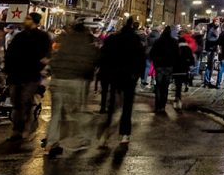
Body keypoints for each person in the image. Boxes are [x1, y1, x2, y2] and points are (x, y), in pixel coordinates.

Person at [42, 20, 98, 157]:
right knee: (76, 112)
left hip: (57, 79)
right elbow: (91, 61)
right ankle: (80, 139)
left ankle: (51, 144)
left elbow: (54, 56)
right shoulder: (86, 43)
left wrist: (50, 71)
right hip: (74, 80)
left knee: (56, 115)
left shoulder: (64, 40)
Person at [97, 18, 146, 147]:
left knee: (111, 103)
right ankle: (124, 134)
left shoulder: (113, 39)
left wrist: (104, 72)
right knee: (127, 106)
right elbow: (141, 58)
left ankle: (106, 131)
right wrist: (138, 75)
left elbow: (103, 56)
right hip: (129, 76)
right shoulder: (135, 41)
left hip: (114, 75)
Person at [3, 12, 51, 142]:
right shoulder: (19, 37)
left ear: (35, 22)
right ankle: (17, 129)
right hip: (16, 75)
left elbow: (46, 54)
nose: (26, 21)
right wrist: (7, 69)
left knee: (26, 101)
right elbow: (10, 53)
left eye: (28, 19)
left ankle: (24, 128)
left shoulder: (42, 37)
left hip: (31, 75)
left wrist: (41, 67)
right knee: (16, 103)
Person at [149, 26, 178, 113]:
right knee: (165, 87)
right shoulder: (173, 41)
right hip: (169, 66)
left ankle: (158, 106)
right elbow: (177, 54)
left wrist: (155, 63)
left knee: (158, 86)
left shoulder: (158, 41)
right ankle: (162, 106)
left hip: (159, 66)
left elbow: (152, 53)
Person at [174, 33, 196, 111]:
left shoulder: (176, 48)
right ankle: (185, 86)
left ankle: (177, 98)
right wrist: (189, 64)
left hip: (176, 70)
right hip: (185, 69)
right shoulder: (188, 49)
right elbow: (192, 60)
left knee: (178, 85)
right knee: (184, 80)